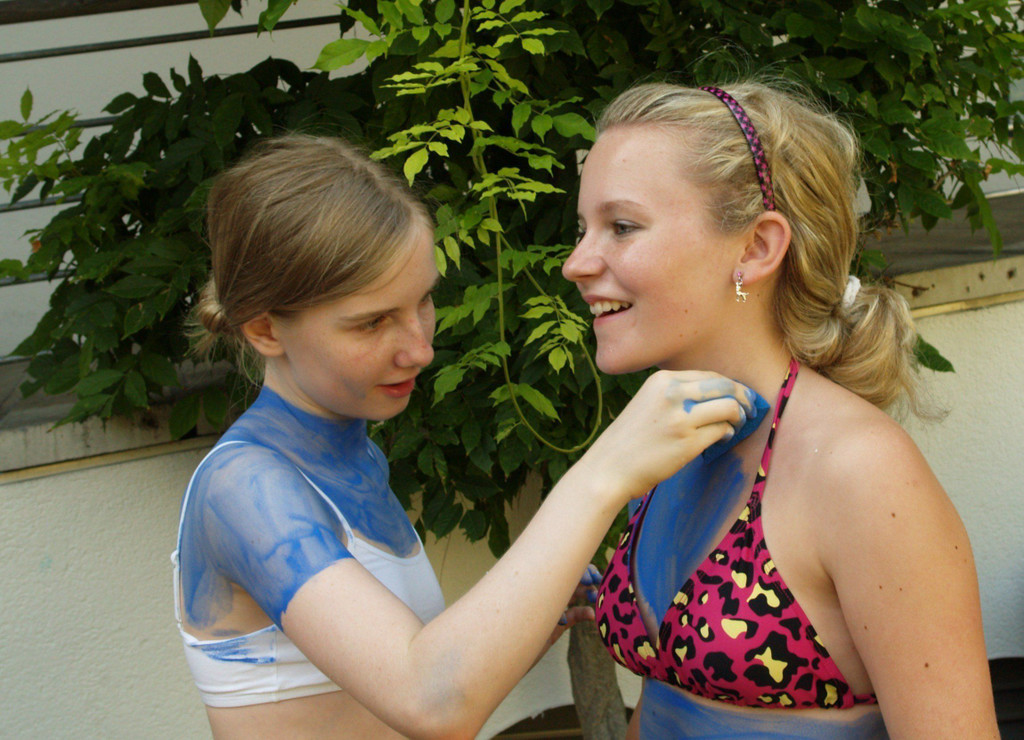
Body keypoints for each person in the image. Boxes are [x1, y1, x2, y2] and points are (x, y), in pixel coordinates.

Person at [173, 134, 761, 740]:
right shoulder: (242, 488)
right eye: (372, 322)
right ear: (265, 330)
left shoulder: (354, 456)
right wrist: (604, 471)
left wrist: (527, 614)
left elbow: (393, 689)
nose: (419, 349)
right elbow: (431, 703)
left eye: (423, 301)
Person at [564, 81, 1000, 739]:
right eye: (583, 230)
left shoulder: (861, 469)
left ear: (756, 248)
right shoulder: (672, 437)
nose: (576, 263)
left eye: (621, 227)